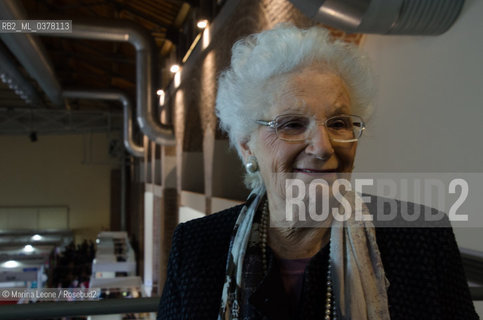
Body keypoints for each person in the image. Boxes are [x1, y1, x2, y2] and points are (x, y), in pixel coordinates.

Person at [157, 24, 478, 320]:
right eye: (293, 124)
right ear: (247, 148)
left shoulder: (421, 238)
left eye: (338, 123)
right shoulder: (196, 246)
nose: (323, 147)